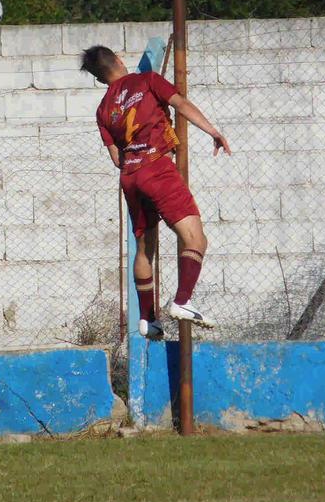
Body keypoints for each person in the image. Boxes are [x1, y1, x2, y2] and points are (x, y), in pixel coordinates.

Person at [81, 45, 231, 339]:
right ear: (120, 61)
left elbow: (116, 158)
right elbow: (182, 105)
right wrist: (213, 131)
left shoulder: (103, 109)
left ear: (100, 79)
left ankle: (148, 320)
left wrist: (135, 157)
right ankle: (183, 301)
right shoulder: (147, 80)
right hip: (156, 168)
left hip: (131, 176)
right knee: (195, 238)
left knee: (145, 248)